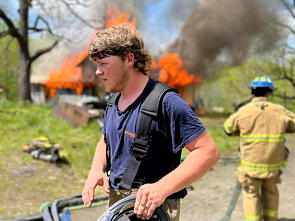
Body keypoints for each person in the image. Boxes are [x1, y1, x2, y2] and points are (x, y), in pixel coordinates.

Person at [82, 23, 219, 221]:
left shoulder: (167, 102)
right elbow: (106, 140)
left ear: (129, 59)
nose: (97, 72)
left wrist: (162, 188)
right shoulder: (113, 101)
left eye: (103, 64)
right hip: (118, 206)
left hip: (154, 209)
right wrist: (96, 169)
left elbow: (208, 152)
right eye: (96, 65)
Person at [223, 75, 295, 221]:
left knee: (251, 195)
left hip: (250, 168)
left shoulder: (244, 111)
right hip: (272, 167)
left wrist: (242, 130)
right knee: (271, 193)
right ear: (269, 93)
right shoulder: (280, 110)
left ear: (253, 92)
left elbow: (227, 128)